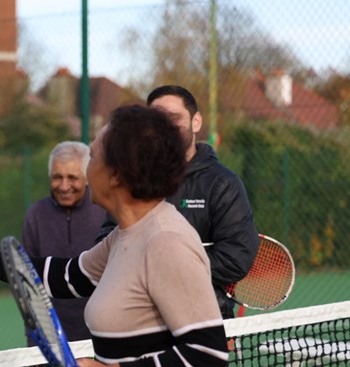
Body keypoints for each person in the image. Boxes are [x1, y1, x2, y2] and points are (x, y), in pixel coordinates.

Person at [0, 105, 241, 367]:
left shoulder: (165, 240)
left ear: (117, 174)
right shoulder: (126, 234)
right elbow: (70, 276)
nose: (85, 169)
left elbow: (207, 352)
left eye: (92, 157)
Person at [97, 85, 259, 319]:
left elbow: (236, 258)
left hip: (203, 318)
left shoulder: (223, 184)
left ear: (196, 122)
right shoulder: (131, 181)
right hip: (138, 320)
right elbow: (106, 243)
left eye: (174, 118)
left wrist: (166, 269)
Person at [23, 140, 105, 367]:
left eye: (72, 177)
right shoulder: (35, 216)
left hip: (104, 345)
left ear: (86, 178)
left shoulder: (105, 210)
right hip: (58, 349)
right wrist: (33, 346)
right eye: (57, 177)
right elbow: (28, 286)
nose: (64, 185)